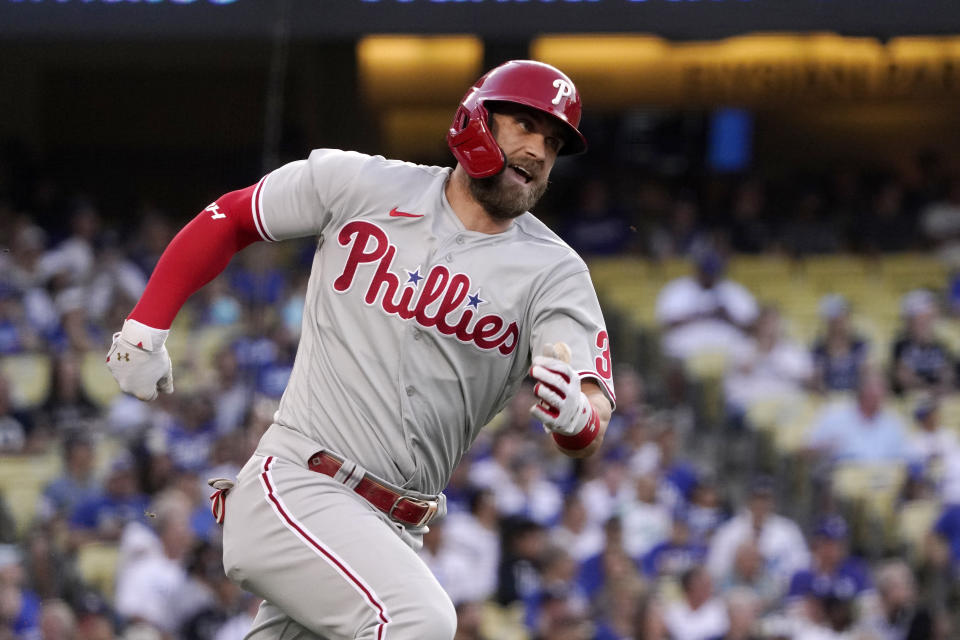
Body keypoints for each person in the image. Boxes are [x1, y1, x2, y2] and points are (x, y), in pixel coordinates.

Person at [105, 59, 615, 640]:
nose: (538, 151)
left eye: (553, 143)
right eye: (525, 124)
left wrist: (577, 418)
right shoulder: (363, 184)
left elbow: (591, 405)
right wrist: (145, 327)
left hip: (393, 530)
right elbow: (233, 217)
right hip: (298, 483)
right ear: (475, 118)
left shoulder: (554, 271)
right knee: (417, 620)